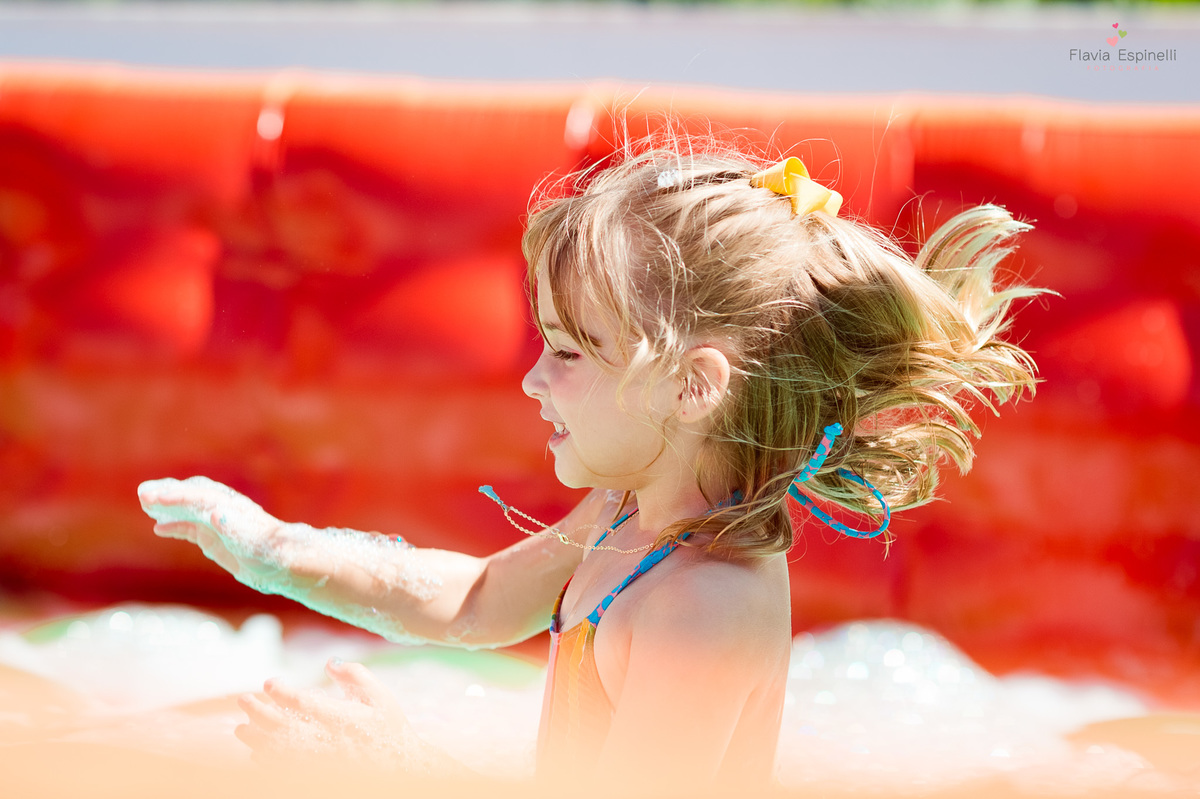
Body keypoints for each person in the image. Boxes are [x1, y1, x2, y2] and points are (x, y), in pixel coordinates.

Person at [138, 141, 1043, 789]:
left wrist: (401, 766)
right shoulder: (627, 514)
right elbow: (478, 600)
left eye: (570, 352)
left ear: (692, 386)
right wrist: (273, 549)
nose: (532, 378)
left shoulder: (707, 608)